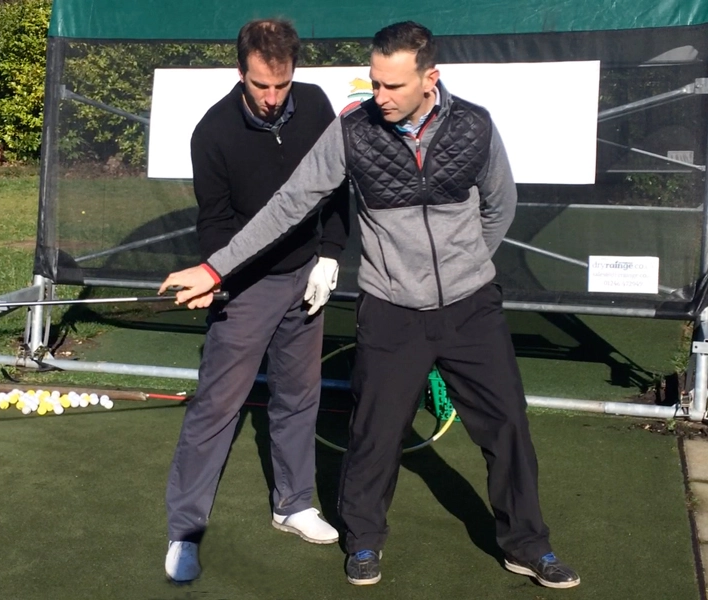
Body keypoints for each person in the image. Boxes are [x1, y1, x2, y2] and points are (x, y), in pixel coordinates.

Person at [159, 21, 580, 590]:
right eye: (375, 82)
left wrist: (462, 267)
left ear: (430, 79)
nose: (378, 95)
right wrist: (214, 269)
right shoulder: (352, 130)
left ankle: (528, 546)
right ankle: (362, 541)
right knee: (374, 436)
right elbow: (288, 204)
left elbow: (500, 206)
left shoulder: (475, 124)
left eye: (392, 86)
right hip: (390, 310)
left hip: (470, 307)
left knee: (508, 427)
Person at [162, 18, 349, 583]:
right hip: (246, 286)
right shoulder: (213, 131)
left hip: (306, 277)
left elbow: (335, 188)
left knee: (299, 396)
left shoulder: (315, 105)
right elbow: (215, 221)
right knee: (217, 406)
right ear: (240, 71)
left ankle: (292, 504)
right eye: (261, 85)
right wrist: (216, 278)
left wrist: (330, 254)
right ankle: (185, 529)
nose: (272, 98)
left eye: (282, 85)